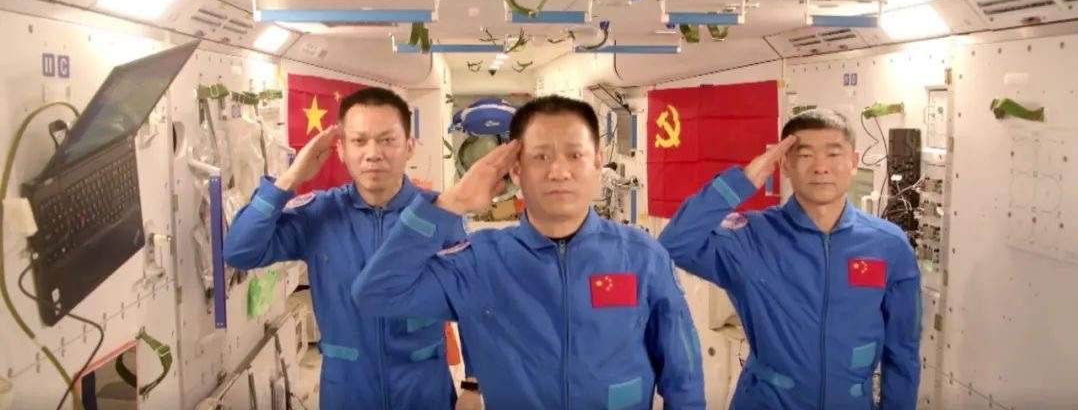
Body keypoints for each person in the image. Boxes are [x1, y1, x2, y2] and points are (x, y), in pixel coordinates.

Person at [352, 95, 705, 409]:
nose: (559, 171)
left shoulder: (642, 257)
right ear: (517, 170)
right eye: (541, 156)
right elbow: (374, 292)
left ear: (598, 162)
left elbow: (683, 372)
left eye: (575, 155)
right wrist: (449, 205)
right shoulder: (478, 263)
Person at [659, 108, 921, 409]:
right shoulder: (751, 237)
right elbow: (673, 245)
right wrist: (743, 181)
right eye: (806, 155)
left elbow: (903, 353)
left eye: (833, 154)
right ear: (784, 164)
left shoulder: (888, 245)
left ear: (854, 161)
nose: (821, 167)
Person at [223, 87, 462, 410]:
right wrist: (290, 178)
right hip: (347, 391)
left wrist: (473, 383)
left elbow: (476, 302)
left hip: (423, 391)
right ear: (341, 150)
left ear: (409, 146)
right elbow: (239, 252)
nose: (373, 153)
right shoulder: (319, 214)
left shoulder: (439, 214)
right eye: (359, 141)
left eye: (387, 140)